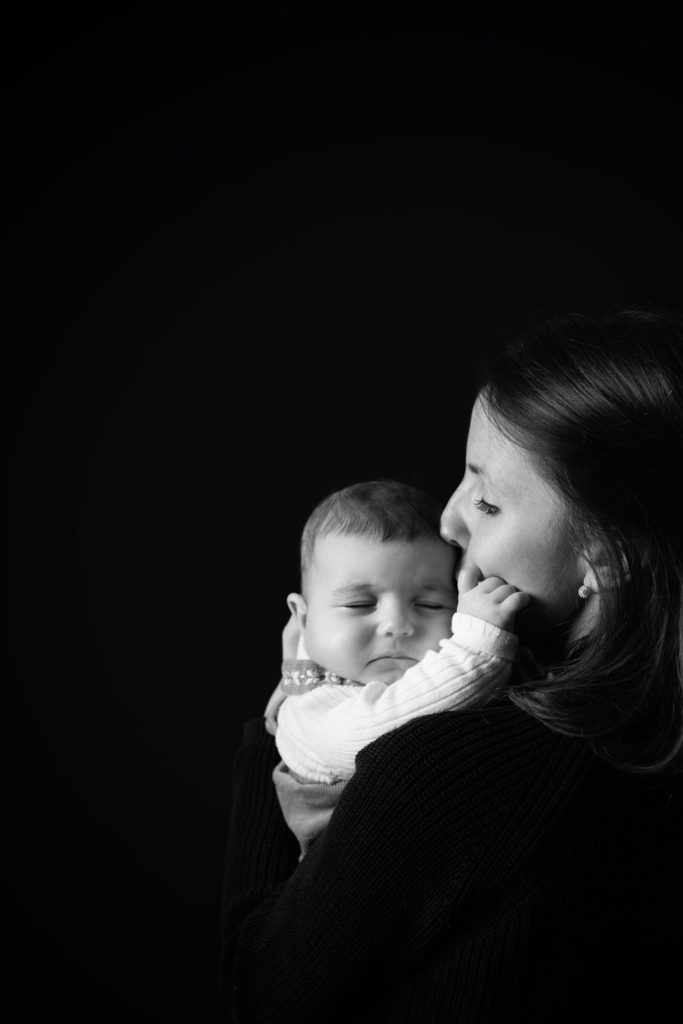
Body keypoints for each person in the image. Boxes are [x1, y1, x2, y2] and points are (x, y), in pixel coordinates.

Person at [220, 309, 683, 1024]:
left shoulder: (444, 769)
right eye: (464, 478)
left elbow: (261, 994)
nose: (449, 520)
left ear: (611, 556)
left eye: (490, 501)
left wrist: (280, 718)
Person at [264, 479, 528, 858]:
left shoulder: (323, 655)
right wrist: (477, 644)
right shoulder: (313, 711)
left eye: (431, 605)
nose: (397, 625)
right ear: (302, 618)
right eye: (359, 604)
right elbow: (386, 730)